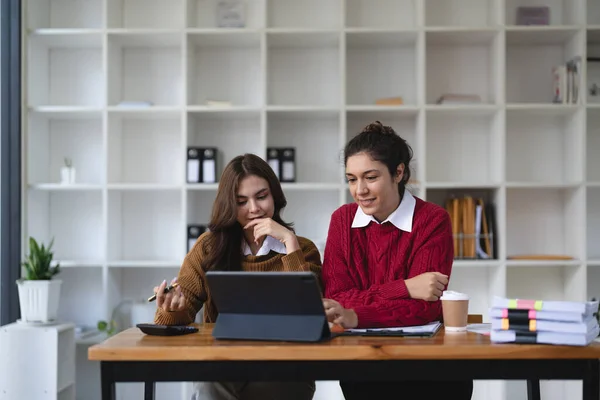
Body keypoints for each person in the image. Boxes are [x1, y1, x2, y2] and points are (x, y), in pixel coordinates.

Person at [321, 121, 473, 400]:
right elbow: (335, 299)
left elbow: (425, 309)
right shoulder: (341, 221)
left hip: (429, 368)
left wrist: (357, 315)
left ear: (399, 172)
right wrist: (404, 287)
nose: (360, 190)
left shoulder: (432, 220)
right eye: (352, 179)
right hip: (363, 365)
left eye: (370, 177)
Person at [153, 153, 322, 400]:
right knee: (207, 385)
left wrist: (289, 242)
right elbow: (168, 319)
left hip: (286, 368)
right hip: (224, 365)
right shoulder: (208, 248)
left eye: (262, 197)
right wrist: (174, 310)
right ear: (229, 205)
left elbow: (313, 316)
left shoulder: (302, 248)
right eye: (241, 201)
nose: (254, 209)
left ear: (275, 194)